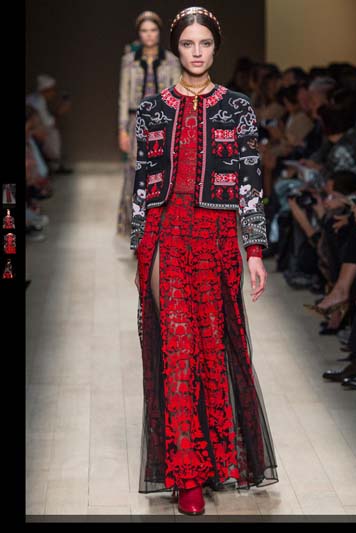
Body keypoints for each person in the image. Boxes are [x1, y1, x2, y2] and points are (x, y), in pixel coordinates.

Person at [130, 6, 279, 516]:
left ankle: (216, 460)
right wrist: (141, 247)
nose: (197, 52)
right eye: (189, 44)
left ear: (215, 47)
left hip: (216, 241)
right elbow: (142, 184)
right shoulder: (152, 109)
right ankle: (186, 474)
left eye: (205, 44)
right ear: (177, 48)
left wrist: (253, 249)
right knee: (177, 349)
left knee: (212, 350)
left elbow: (250, 181)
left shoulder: (237, 107)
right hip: (168, 237)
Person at [117, 10, 181, 237]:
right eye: (144, 31)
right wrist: (122, 130)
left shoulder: (171, 61)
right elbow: (123, 96)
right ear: (139, 33)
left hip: (164, 124)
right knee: (136, 173)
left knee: (161, 172)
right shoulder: (129, 61)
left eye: (153, 30)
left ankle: (160, 226)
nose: (149, 35)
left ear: (159, 32)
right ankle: (136, 227)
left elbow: (177, 97)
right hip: (136, 122)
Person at [26, 74, 72, 173]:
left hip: (30, 131)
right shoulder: (37, 102)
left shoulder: (36, 99)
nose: (54, 93)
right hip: (29, 132)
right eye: (52, 90)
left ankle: (53, 163)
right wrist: (60, 112)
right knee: (52, 133)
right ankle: (54, 164)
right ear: (45, 90)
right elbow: (48, 124)